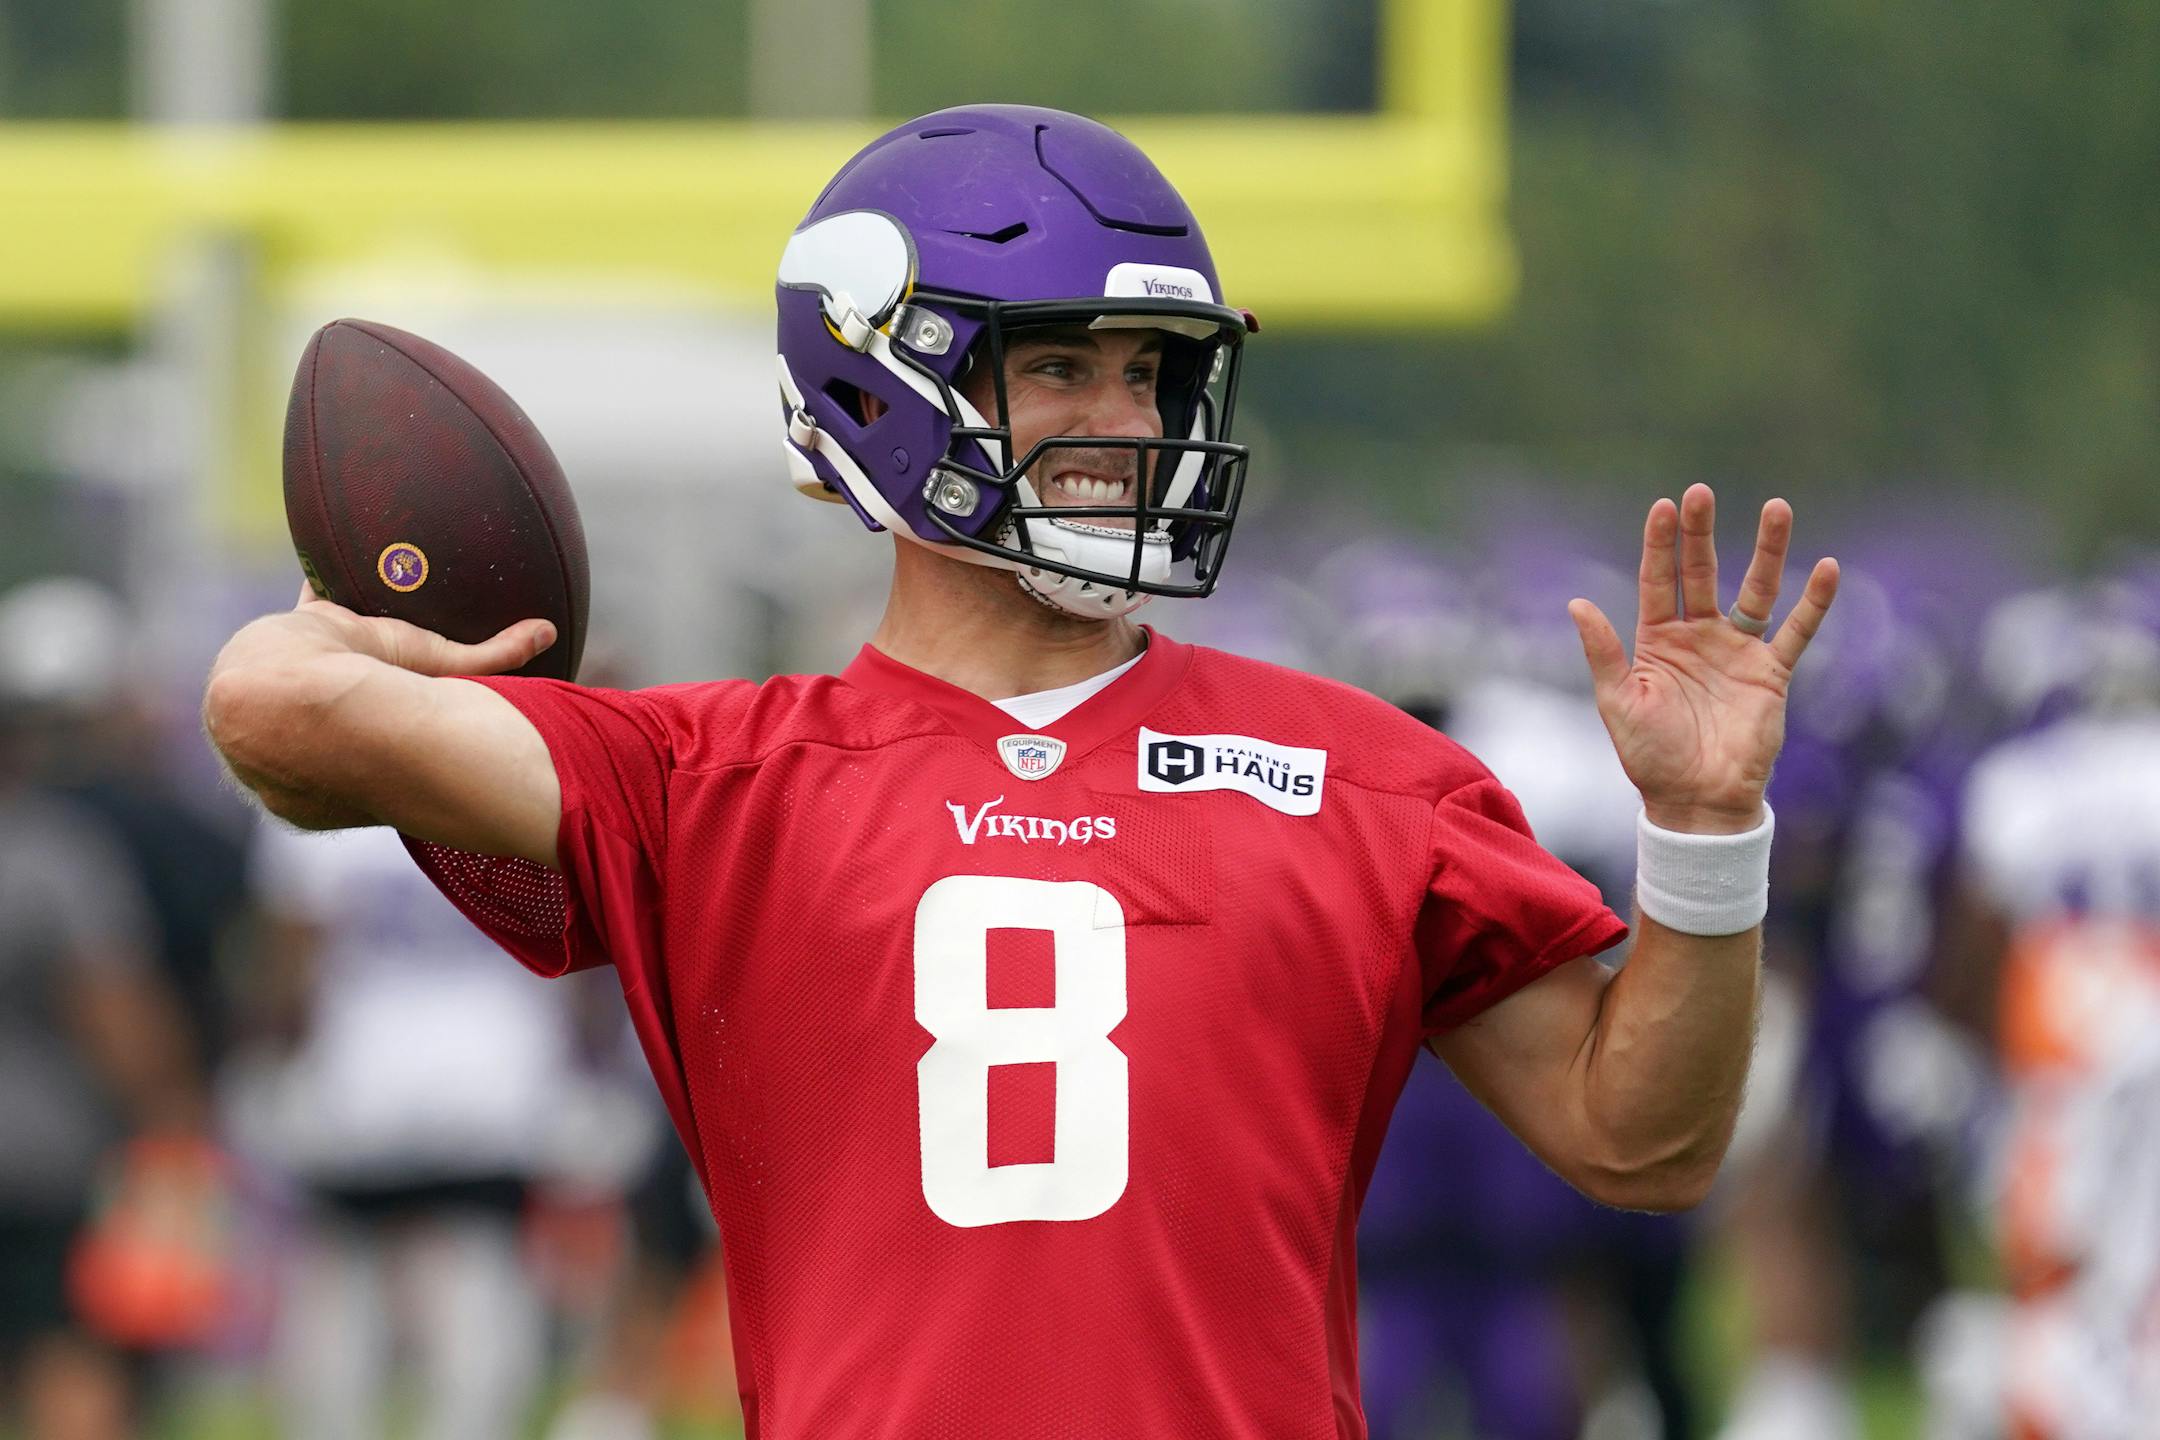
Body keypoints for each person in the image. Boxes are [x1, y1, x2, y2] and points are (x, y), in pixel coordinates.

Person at [201, 104, 1840, 1438]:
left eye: (1151, 374)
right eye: (1063, 366)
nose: (1128, 422)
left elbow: (1650, 1143)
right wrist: (439, 656)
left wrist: (1704, 829)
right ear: (879, 380)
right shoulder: (704, 777)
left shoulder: (1366, 779)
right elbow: (275, 703)